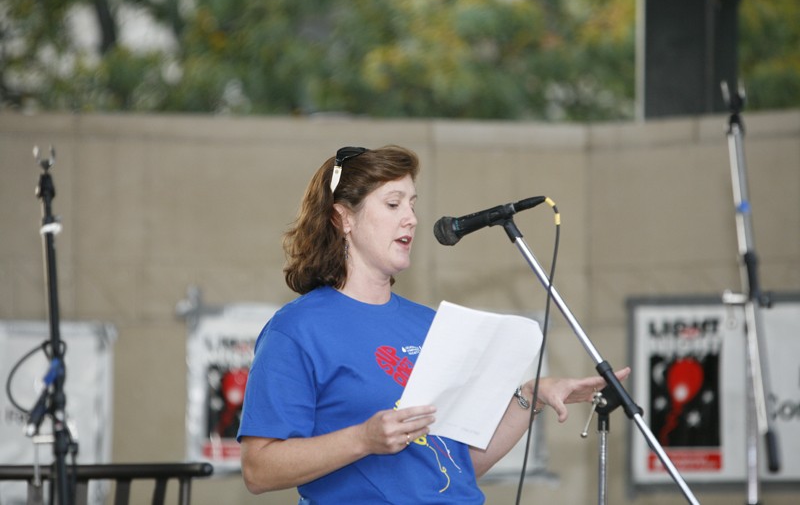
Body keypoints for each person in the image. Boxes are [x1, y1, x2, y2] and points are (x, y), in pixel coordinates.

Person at [238, 144, 630, 504]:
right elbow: (258, 469)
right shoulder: (296, 330)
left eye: (412, 204)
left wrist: (531, 398)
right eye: (393, 204)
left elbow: (455, 465)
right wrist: (363, 439)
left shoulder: (430, 325)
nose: (411, 218)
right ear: (343, 219)